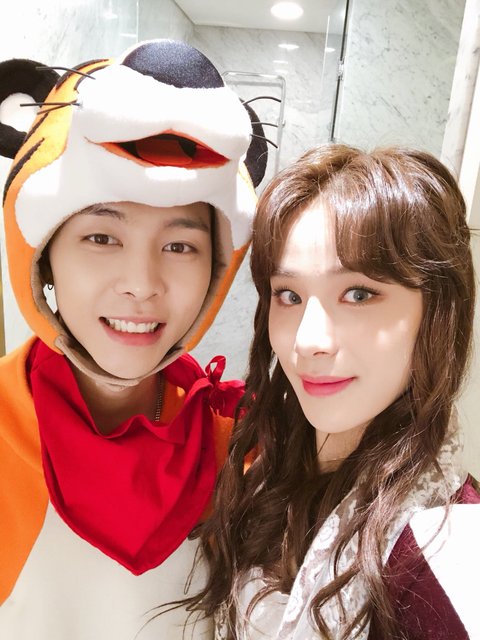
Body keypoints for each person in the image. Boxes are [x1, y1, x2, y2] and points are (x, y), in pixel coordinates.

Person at [0, 39, 267, 638]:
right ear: (44, 256)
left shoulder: (241, 444)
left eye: (180, 245)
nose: (142, 285)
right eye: (102, 238)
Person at [189, 144, 480, 639]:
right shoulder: (266, 469)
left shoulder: (446, 552)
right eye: (289, 295)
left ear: (437, 313)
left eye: (358, 294)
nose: (308, 341)